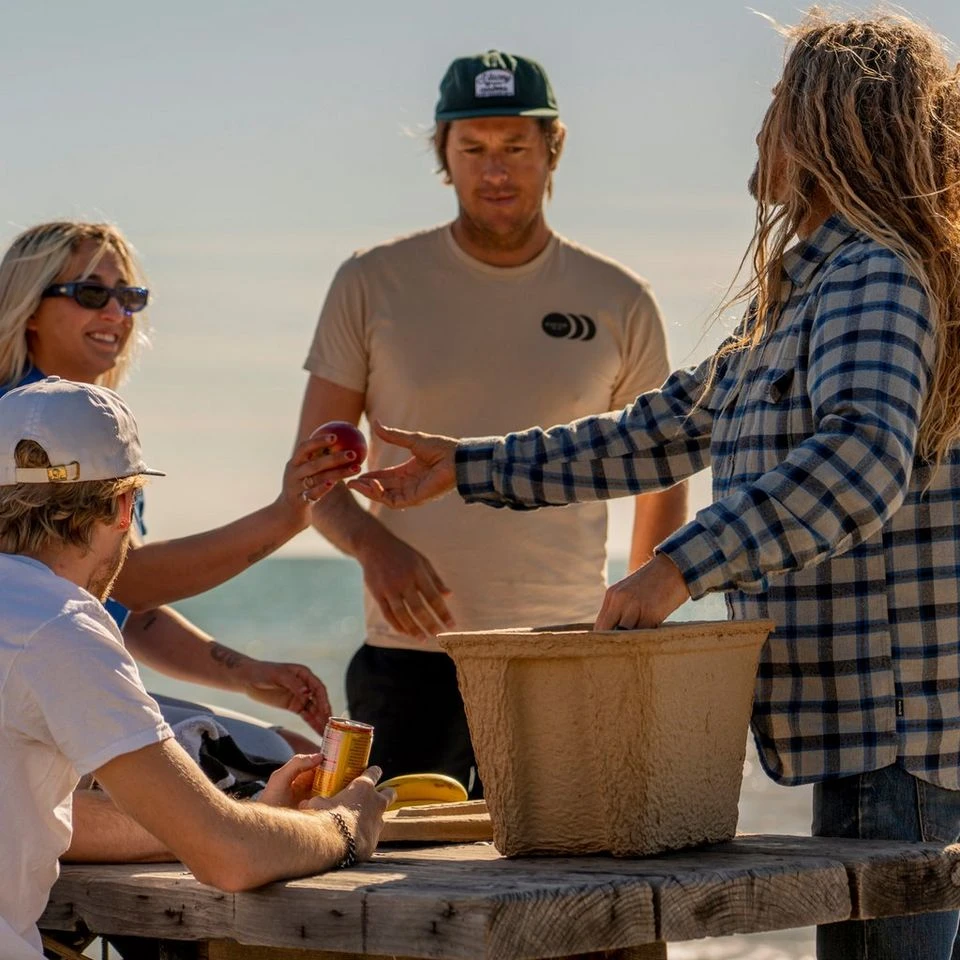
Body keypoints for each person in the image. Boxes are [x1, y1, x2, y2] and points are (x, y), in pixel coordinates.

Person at [351, 13, 960, 960]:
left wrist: (677, 570)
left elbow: (861, 459)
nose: (758, 131)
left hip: (903, 736)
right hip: (865, 733)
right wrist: (468, 466)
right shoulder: (807, 294)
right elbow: (657, 432)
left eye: (776, 107)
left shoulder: (874, 277)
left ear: (829, 126)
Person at [296, 50, 687, 794]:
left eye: (516, 147)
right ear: (443, 154)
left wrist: (642, 619)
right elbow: (313, 474)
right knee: (402, 893)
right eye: (472, 149)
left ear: (553, 149)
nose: (495, 170)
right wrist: (376, 547)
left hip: (566, 650)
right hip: (410, 654)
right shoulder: (371, 282)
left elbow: (660, 469)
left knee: (565, 885)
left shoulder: (619, 298)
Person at [0, 377, 392, 960]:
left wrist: (249, 817)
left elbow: (54, 818)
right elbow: (229, 858)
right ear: (123, 506)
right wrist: (341, 827)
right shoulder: (60, 627)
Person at [0, 220, 364, 758]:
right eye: (91, 293)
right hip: (29, 699)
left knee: (283, 751)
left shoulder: (92, 430)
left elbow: (123, 607)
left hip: (50, 685)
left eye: (130, 297)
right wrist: (289, 514)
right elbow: (133, 581)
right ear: (28, 307)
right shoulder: (26, 431)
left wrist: (243, 673)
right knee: (280, 761)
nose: (116, 314)